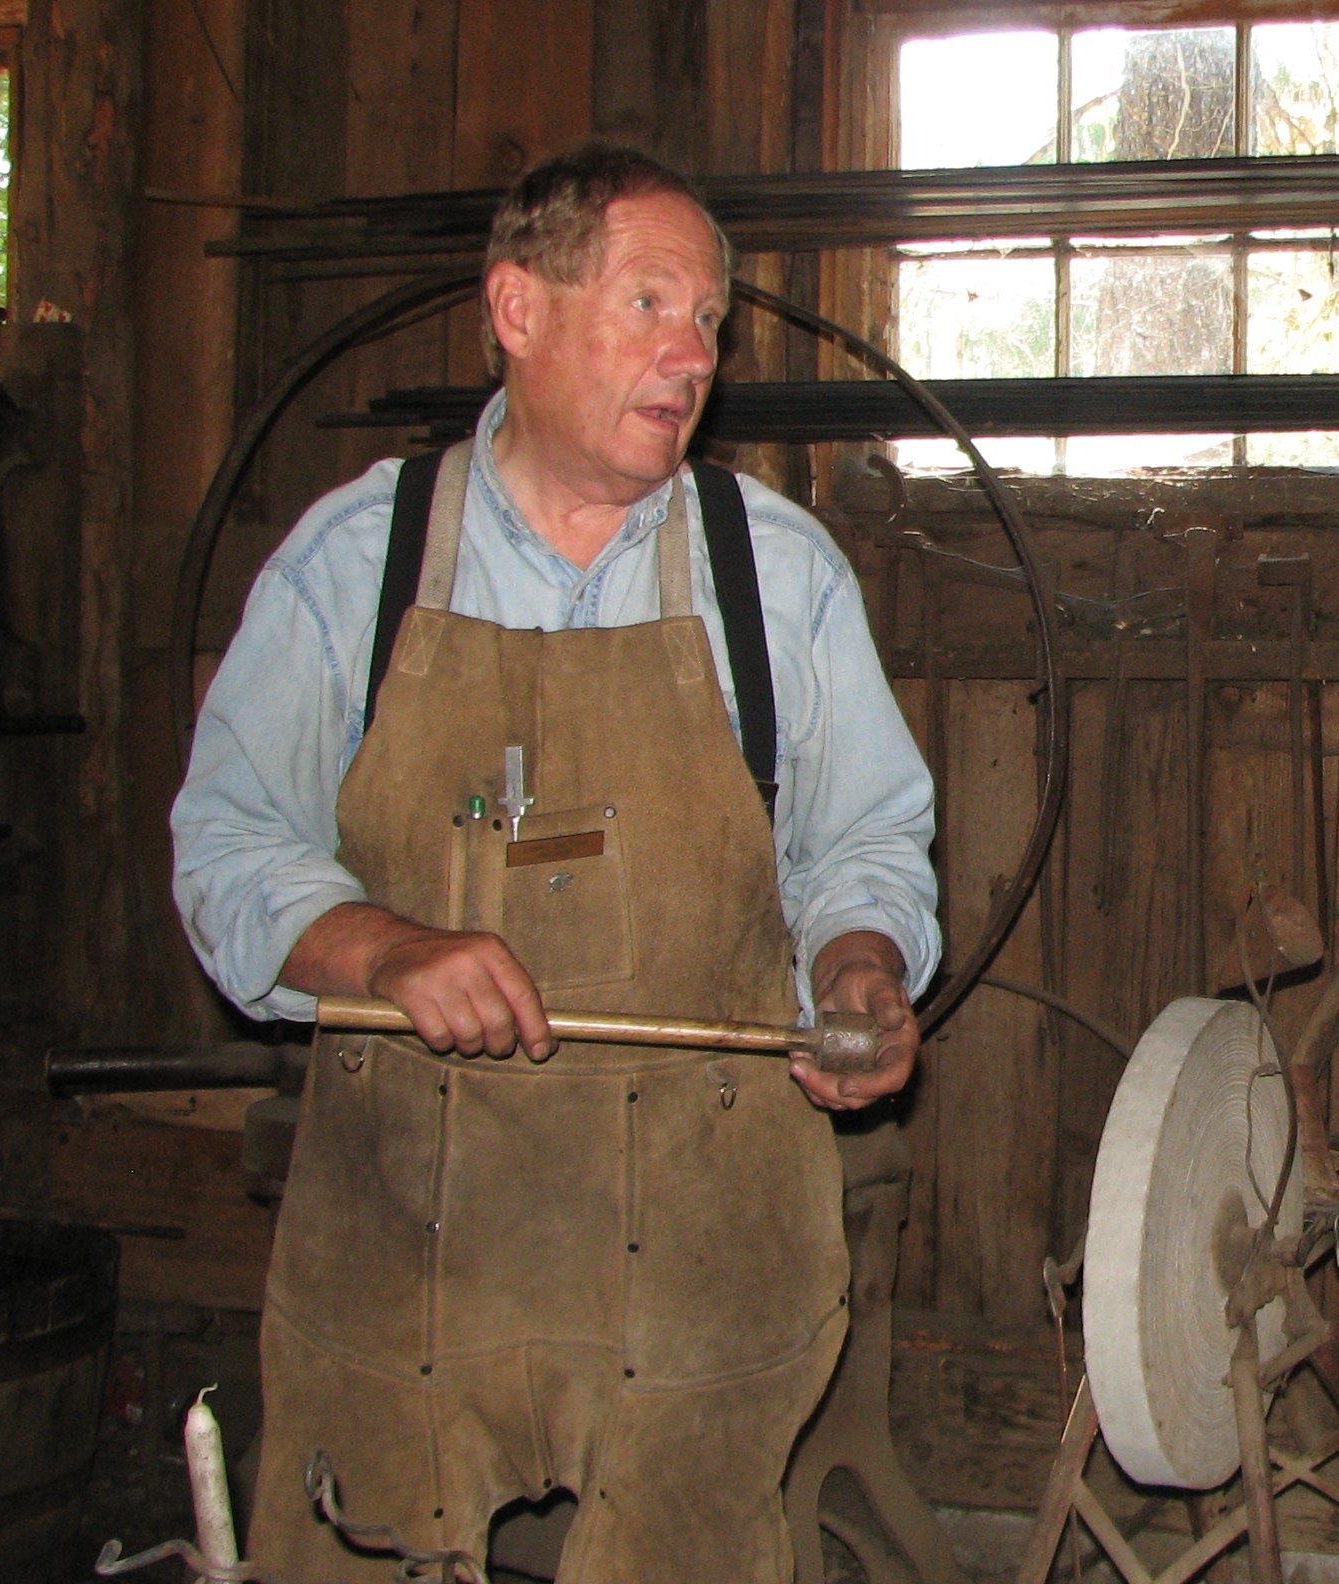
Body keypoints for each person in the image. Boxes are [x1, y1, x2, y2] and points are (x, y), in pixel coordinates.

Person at [171, 144, 939, 1583]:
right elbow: (226, 850)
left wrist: (858, 963)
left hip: (708, 1243)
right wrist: (386, 953)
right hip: (411, 1233)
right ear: (517, 309)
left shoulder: (776, 575)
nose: (689, 354)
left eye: (708, 319)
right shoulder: (359, 562)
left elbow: (864, 842)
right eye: (650, 303)